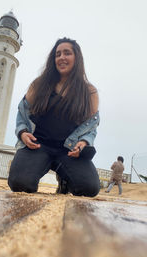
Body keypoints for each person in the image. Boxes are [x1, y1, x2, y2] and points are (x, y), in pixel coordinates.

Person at [8, 37, 100, 197]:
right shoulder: (39, 84)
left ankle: (64, 179)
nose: (62, 57)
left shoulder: (89, 92)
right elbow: (22, 113)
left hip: (68, 151)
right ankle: (39, 166)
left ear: (77, 58)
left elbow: (91, 127)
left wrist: (84, 142)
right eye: (58, 54)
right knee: (19, 183)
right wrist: (22, 133)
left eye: (67, 53)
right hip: (37, 146)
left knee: (89, 189)